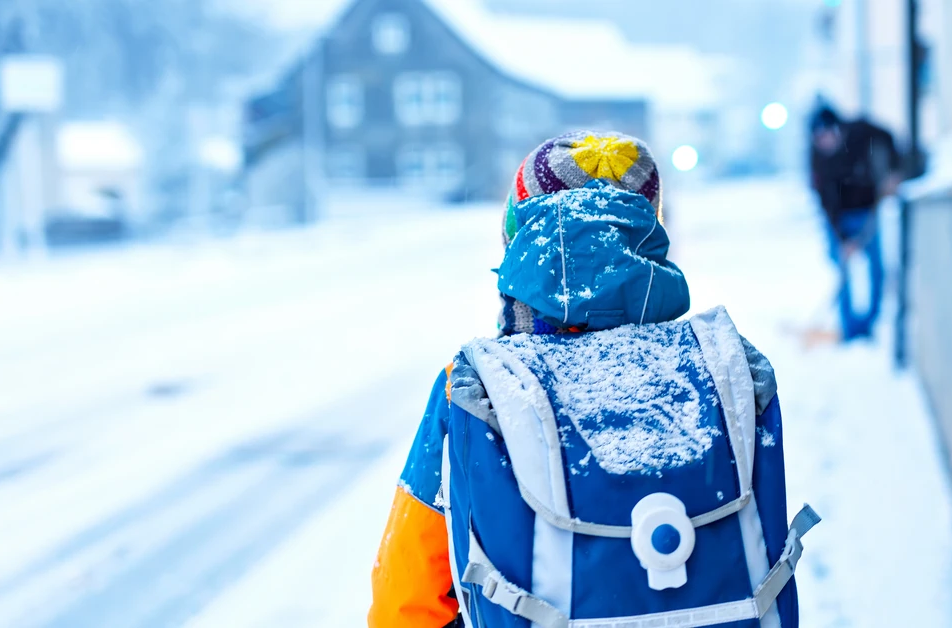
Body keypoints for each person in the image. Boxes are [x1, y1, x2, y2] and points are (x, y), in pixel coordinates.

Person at [367, 131, 818, 627]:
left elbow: (406, 603)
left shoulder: (477, 389)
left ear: (520, 241)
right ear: (649, 235)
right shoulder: (723, 367)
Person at [809, 104, 901, 342]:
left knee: (877, 269)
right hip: (838, 217)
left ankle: (870, 323)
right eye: (818, 140)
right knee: (843, 270)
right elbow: (824, 200)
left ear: (837, 130)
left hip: (867, 210)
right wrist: (842, 240)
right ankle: (850, 329)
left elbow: (888, 137)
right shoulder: (817, 157)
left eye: (827, 137)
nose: (824, 143)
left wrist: (893, 171)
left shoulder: (861, 131)